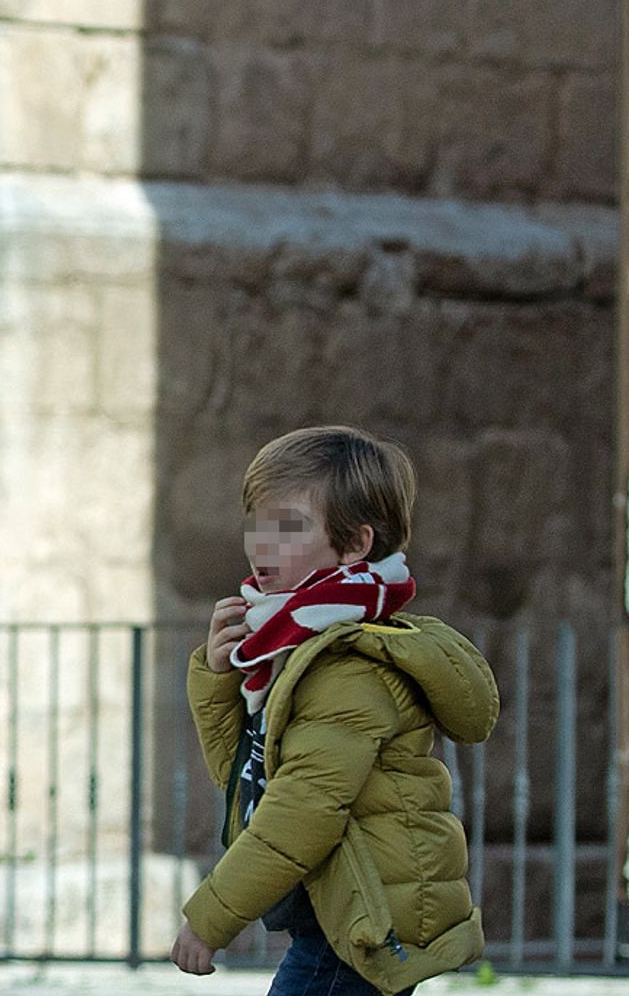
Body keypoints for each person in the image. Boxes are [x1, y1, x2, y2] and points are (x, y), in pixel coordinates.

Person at [170, 425, 500, 996]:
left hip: (359, 926)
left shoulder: (346, 665)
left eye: (287, 528)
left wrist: (210, 919)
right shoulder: (290, 643)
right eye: (256, 524)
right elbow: (248, 782)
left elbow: (301, 809)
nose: (262, 545)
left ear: (355, 545)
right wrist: (220, 680)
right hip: (339, 916)